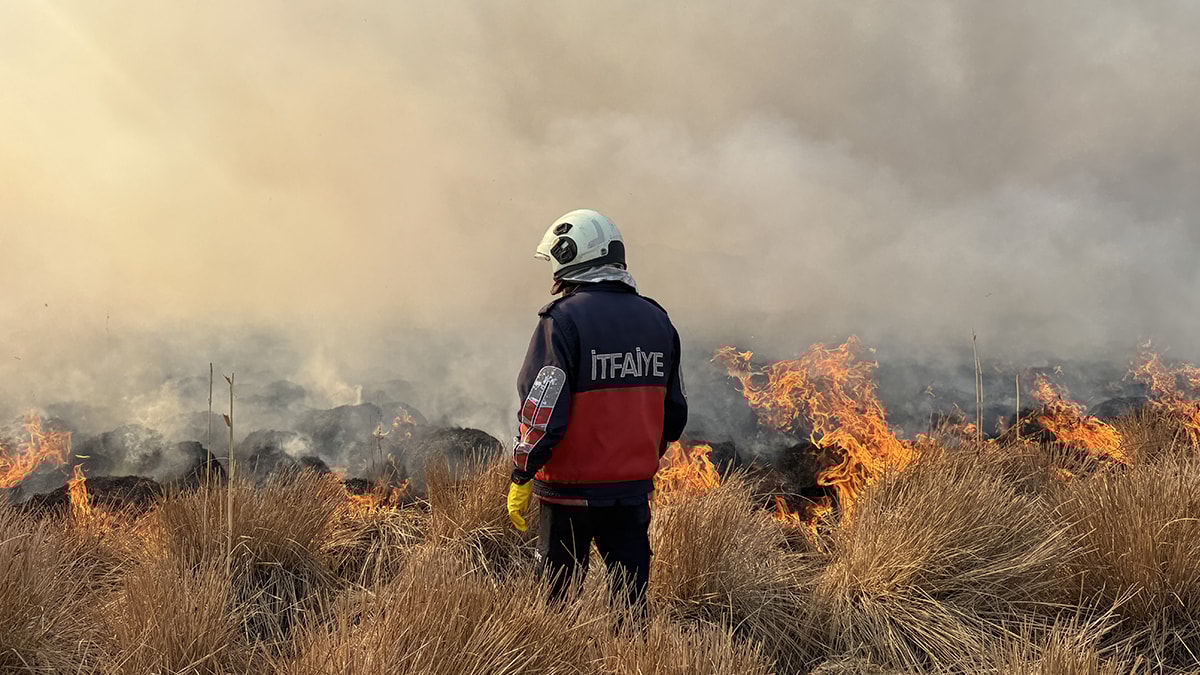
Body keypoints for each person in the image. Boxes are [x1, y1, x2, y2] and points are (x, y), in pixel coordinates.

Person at [506, 208, 688, 611]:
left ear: (569, 255)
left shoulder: (561, 320)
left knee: (554, 607)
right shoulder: (658, 320)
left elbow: (541, 411)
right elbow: (674, 414)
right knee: (631, 607)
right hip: (632, 493)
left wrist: (523, 472)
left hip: (569, 494)